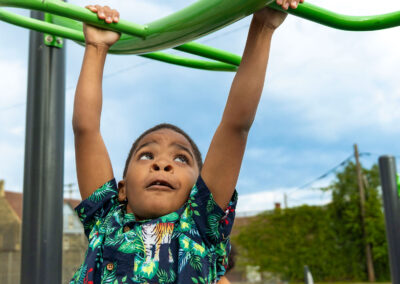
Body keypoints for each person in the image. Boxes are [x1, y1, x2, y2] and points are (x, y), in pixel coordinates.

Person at [70, 0, 303, 283]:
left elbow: (236, 126)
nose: (162, 163)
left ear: (199, 188)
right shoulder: (106, 220)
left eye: (181, 158)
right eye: (146, 155)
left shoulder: (199, 224)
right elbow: (87, 130)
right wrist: (96, 48)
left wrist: (263, 25)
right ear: (122, 190)